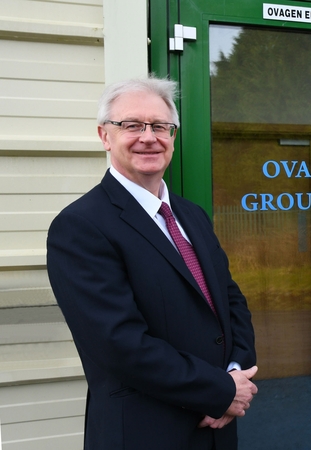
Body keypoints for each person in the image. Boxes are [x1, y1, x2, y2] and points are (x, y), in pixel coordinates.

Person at [46, 76, 258, 450]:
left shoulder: (191, 215)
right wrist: (219, 390)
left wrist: (235, 373)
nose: (149, 137)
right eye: (131, 125)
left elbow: (230, 301)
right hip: (147, 432)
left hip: (219, 428)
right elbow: (119, 344)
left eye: (160, 126)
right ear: (104, 136)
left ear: (173, 136)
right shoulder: (80, 226)